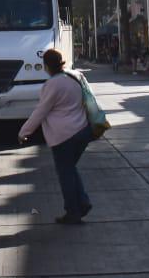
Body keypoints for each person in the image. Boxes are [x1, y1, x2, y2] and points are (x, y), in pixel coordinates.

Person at [18, 49, 93, 225]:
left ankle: (73, 211)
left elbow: (40, 111)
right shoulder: (76, 76)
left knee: (66, 173)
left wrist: (24, 132)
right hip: (82, 131)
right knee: (70, 169)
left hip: (63, 137)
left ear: (46, 66)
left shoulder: (52, 84)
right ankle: (82, 203)